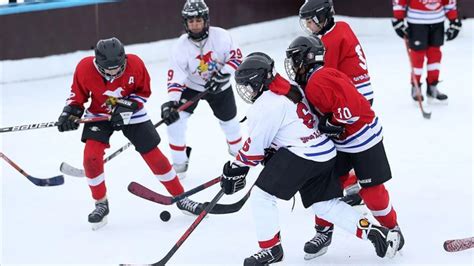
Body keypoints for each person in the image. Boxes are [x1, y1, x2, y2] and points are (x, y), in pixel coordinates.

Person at [219, 52, 401, 265]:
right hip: (324, 152)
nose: (246, 91)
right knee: (324, 204)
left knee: (262, 196)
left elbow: (254, 149)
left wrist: (235, 169)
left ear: (258, 81)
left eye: (248, 85)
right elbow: (289, 126)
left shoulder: (266, 104)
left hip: (302, 156)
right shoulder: (288, 87)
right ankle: (375, 233)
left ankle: (270, 249)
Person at [270, 35, 404, 259]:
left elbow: (355, 105)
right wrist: (268, 80)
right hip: (340, 142)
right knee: (326, 188)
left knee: (372, 192)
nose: (292, 65)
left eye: (295, 59)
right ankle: (323, 231)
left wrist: (333, 122)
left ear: (306, 59)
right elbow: (290, 89)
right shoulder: (310, 80)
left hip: (363, 139)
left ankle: (392, 227)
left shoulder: (321, 79)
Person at [56, 37, 203, 230]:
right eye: (109, 69)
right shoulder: (84, 68)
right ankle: (101, 204)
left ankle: (181, 197)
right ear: (98, 64)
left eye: (118, 67)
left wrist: (125, 107)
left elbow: (144, 92)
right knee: (91, 158)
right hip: (100, 114)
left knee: (154, 155)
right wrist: (70, 113)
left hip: (132, 113)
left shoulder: (135, 63)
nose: (114, 71)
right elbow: (77, 95)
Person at [299, 0, 373, 206]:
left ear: (322, 18)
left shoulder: (329, 42)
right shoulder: (342, 27)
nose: (308, 27)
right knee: (345, 141)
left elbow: (322, 74)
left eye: (311, 22)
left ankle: (352, 185)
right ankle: (354, 183)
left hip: (352, 100)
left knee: (336, 141)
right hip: (360, 93)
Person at [161, 0, 243, 179]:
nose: (195, 25)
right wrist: (172, 102)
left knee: (230, 124)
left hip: (221, 87)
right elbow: (175, 77)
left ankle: (239, 153)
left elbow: (236, 58)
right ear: (185, 23)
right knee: (174, 122)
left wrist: (223, 75)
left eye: (198, 20)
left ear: (206, 20)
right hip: (192, 87)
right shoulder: (180, 47)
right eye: (191, 21)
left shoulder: (221, 36)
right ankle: (179, 163)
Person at [392, 0, 461, 102]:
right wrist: (398, 18)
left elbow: (449, 1)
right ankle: (416, 87)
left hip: (438, 21)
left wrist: (453, 19)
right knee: (417, 56)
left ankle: (432, 86)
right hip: (417, 22)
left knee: (435, 55)